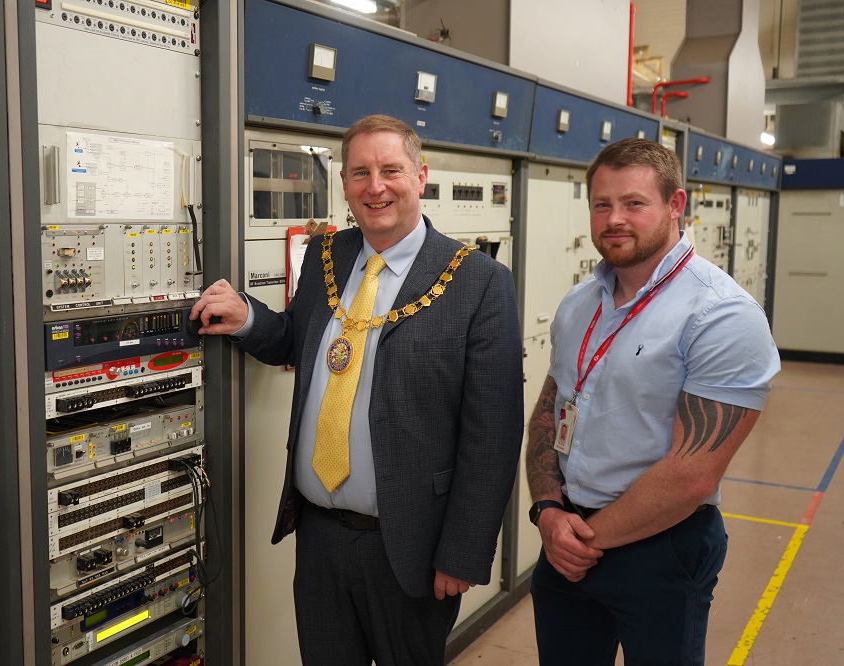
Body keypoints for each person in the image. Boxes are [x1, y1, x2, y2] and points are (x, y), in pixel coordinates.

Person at [191, 114, 523, 665]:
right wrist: (248, 317)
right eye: (360, 173)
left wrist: (463, 551)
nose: (376, 187)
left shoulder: (478, 281)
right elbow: (298, 340)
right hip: (318, 536)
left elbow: (493, 432)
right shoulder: (328, 255)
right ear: (343, 183)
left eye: (391, 170)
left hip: (411, 543)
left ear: (421, 175)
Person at [525, 137, 780, 665]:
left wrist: (583, 539)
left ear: (676, 206)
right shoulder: (580, 302)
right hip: (566, 535)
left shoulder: (721, 315)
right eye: (602, 204)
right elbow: (550, 410)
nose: (615, 219)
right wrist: (549, 511)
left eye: (634, 203)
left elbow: (693, 476)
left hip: (660, 550)